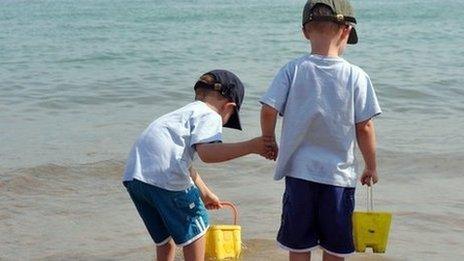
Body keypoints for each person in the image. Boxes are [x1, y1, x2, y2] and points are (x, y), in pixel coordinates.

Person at [259, 0, 382, 260]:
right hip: (337, 178)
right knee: (336, 249)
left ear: (305, 31)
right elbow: (365, 126)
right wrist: (371, 166)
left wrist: (268, 139)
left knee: (299, 246)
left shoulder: (293, 69)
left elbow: (269, 109)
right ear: (346, 31)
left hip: (299, 175)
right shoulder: (356, 75)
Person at [122, 69, 266, 261]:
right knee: (198, 227)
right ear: (229, 106)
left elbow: (182, 163)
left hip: (135, 178)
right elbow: (208, 154)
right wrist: (251, 146)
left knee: (165, 239)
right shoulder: (210, 114)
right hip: (165, 178)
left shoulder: (179, 115)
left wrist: (205, 193)